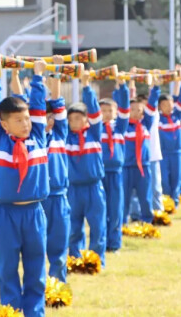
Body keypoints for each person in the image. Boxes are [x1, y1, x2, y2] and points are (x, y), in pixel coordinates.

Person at [0, 57, 49, 316]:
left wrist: (37, 78)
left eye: (26, 119)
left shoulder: (38, 135)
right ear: (4, 124)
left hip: (34, 213)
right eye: (18, 120)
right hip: (6, 215)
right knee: (7, 267)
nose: (25, 124)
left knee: (36, 268)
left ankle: (35, 312)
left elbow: (37, 104)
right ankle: (11, 310)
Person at [65, 73, 107, 267]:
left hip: (94, 187)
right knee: (74, 227)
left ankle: (97, 260)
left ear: (86, 120)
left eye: (78, 118)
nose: (75, 122)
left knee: (98, 225)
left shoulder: (94, 133)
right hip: (73, 189)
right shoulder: (66, 138)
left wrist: (86, 87)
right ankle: (75, 258)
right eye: (71, 119)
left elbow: (96, 113)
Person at [40, 56, 70, 282]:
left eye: (52, 116)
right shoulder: (32, 139)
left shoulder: (60, 134)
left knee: (59, 240)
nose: (49, 120)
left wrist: (55, 74)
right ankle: (39, 282)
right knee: (38, 243)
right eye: (45, 116)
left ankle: (58, 282)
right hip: (39, 198)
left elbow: (58, 102)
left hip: (59, 196)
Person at [123, 82, 160, 224]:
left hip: (143, 167)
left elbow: (151, 107)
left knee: (145, 196)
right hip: (126, 167)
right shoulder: (122, 126)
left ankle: (147, 220)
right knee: (125, 197)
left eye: (139, 110)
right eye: (132, 109)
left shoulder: (145, 124)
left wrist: (156, 88)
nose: (136, 112)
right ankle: (123, 221)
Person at [100, 77, 130, 252]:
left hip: (117, 174)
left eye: (109, 110)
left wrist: (123, 86)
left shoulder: (120, 128)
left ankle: (115, 243)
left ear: (115, 112)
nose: (105, 113)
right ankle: (102, 242)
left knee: (116, 209)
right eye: (102, 110)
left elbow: (125, 108)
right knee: (101, 210)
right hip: (100, 174)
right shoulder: (94, 129)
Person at [158, 74, 181, 207]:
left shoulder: (177, 115)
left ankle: (175, 201)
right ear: (160, 107)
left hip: (177, 153)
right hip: (163, 154)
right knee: (165, 179)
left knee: (176, 177)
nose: (168, 107)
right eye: (164, 105)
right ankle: (166, 200)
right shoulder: (157, 119)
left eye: (170, 104)